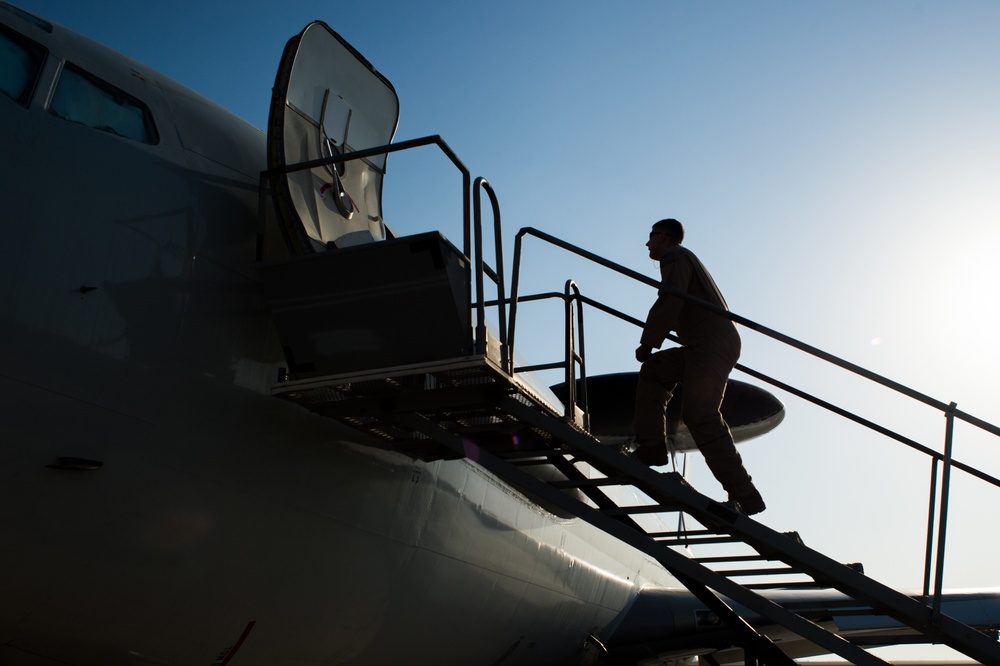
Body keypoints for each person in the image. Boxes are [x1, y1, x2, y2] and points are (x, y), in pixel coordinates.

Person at [632, 218, 766, 515]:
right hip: (700, 346)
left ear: (663, 236)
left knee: (700, 415)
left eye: (651, 236)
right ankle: (652, 446)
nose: (647, 243)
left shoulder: (674, 255)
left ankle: (745, 495)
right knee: (654, 371)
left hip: (711, 344)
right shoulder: (679, 257)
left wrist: (649, 341)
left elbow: (672, 298)